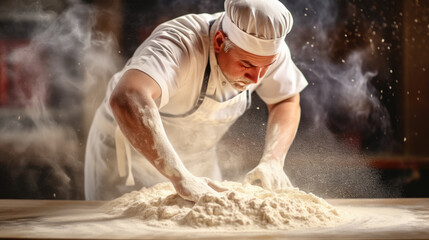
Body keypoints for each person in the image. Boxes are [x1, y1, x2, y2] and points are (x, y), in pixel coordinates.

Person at [84, 0, 308, 201]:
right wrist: (179, 176)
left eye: (266, 67)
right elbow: (127, 98)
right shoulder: (178, 43)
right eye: (246, 65)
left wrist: (273, 161)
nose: (256, 78)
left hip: (198, 161)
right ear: (220, 41)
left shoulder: (268, 52)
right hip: (130, 160)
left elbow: (285, 99)